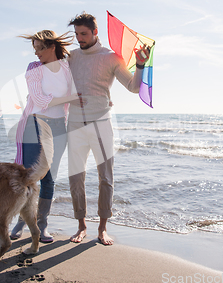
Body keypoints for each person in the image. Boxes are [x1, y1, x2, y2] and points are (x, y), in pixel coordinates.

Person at [66, 12, 150, 245]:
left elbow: (133, 87)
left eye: (83, 34)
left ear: (95, 32)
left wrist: (141, 65)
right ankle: (81, 225)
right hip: (74, 124)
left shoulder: (111, 57)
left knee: (106, 178)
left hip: (102, 123)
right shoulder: (70, 57)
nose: (79, 39)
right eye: (76, 35)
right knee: (75, 177)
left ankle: (102, 228)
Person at [10, 30, 77, 242]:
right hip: (33, 124)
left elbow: (79, 90)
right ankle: (22, 220)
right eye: (35, 49)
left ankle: (42, 225)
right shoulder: (34, 68)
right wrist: (71, 97)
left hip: (58, 126)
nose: (36, 53)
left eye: (40, 48)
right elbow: (39, 99)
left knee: (49, 178)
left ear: (52, 47)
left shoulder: (68, 67)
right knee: (28, 176)